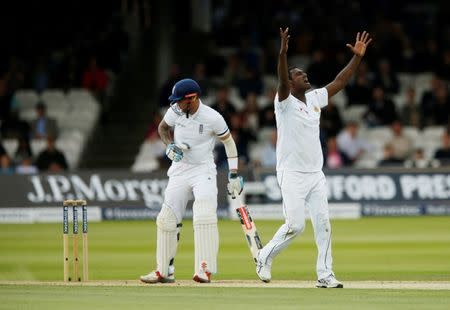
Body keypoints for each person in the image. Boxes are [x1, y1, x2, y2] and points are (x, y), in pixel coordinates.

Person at [256, 28, 372, 288]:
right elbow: (281, 79)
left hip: (315, 174)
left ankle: (325, 274)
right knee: (295, 225)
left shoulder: (315, 98)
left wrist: (357, 58)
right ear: (290, 81)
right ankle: (264, 256)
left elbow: (340, 82)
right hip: (292, 174)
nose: (304, 76)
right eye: (299, 74)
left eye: (304, 73)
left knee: (324, 225)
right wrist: (283, 54)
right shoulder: (283, 102)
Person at [140, 78, 244, 284]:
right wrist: (169, 145)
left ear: (192, 98)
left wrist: (233, 174)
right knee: (167, 218)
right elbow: (162, 128)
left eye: (179, 100)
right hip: (179, 169)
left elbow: (229, 143)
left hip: (203, 170)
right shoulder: (176, 110)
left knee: (204, 215)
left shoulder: (213, 117)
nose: (176, 104)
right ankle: (164, 270)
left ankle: (204, 270)